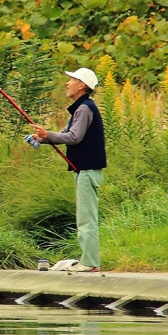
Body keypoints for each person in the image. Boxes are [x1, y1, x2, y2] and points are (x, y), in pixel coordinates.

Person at [30, 68, 106, 273]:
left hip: (88, 170)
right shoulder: (81, 108)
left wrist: (48, 134)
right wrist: (42, 138)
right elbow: (65, 134)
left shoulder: (84, 108)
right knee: (84, 216)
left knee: (86, 218)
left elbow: (74, 137)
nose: (67, 83)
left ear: (81, 85)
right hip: (84, 171)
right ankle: (89, 261)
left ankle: (90, 263)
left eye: (71, 79)